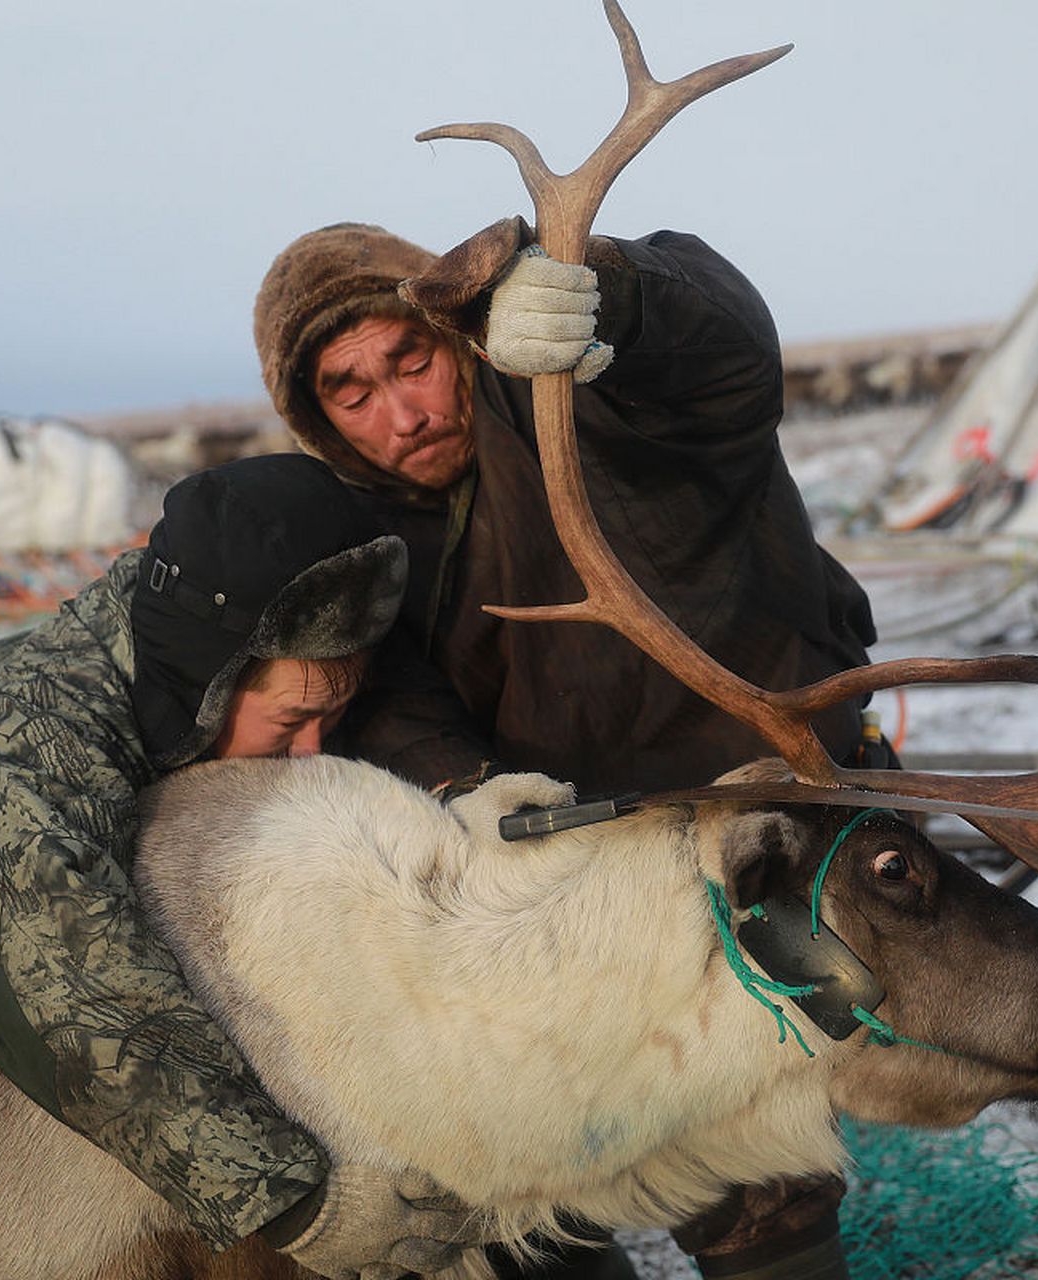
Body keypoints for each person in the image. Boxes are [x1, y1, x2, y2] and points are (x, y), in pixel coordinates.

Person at [253, 218, 881, 1280]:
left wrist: (608, 296)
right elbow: (390, 689)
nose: (402, 412)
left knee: (758, 1162)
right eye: (352, 392)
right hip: (566, 866)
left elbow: (727, 359)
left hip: (754, 811)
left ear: (455, 336)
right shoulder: (359, 536)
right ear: (317, 418)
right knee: (535, 1164)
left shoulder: (586, 404)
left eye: (412, 360)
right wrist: (462, 784)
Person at [0, 453, 486, 1278]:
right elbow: (67, 981)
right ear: (210, 680)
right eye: (294, 721)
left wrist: (472, 798)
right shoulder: (40, 739)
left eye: (333, 715)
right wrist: (292, 1200)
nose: (316, 750)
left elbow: (383, 698)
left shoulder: (270, 636)